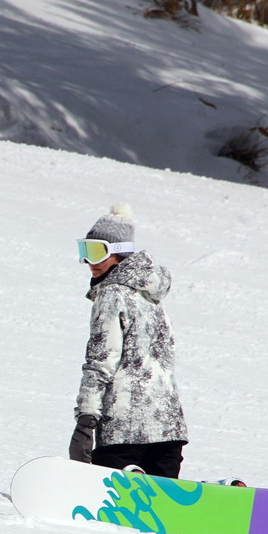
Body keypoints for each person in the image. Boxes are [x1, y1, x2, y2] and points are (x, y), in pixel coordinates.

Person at [69, 203, 188, 478]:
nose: (90, 261)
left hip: (124, 431)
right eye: (85, 251)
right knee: (158, 505)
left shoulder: (112, 294)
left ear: (119, 254)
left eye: (97, 251)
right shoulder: (150, 295)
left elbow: (100, 360)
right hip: (168, 427)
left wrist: (86, 419)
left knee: (117, 508)